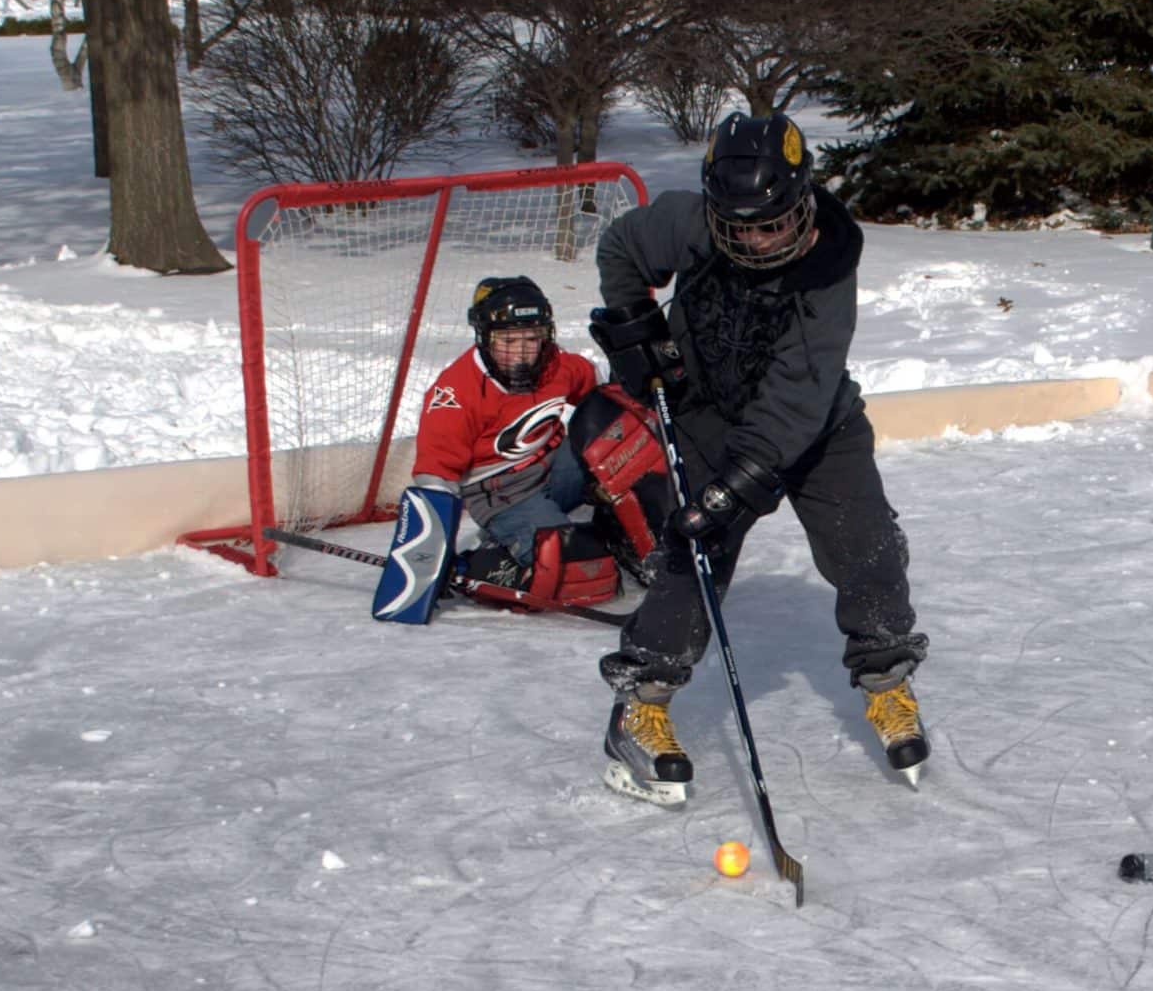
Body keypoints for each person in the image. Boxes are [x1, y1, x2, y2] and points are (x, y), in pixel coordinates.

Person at [585, 112, 928, 808]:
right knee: (693, 553)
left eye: (772, 223)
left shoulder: (828, 265)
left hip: (818, 427)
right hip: (710, 412)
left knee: (869, 548)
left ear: (801, 201)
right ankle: (641, 703)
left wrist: (740, 485)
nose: (758, 240)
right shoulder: (689, 224)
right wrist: (636, 329)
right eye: (740, 228)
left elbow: (798, 395)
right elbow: (622, 245)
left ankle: (888, 682)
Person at [370, 276, 671, 625]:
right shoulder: (455, 394)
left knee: (625, 433)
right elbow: (435, 479)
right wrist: (431, 559)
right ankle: (489, 561)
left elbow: (602, 385)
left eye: (532, 339)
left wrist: (647, 368)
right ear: (484, 337)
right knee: (580, 568)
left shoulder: (555, 364)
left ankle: (630, 534)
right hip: (503, 494)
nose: (522, 352)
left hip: (555, 469)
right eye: (508, 340)